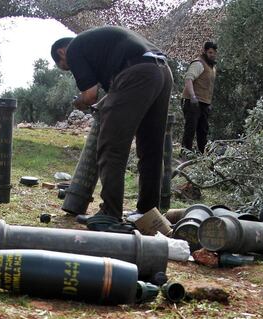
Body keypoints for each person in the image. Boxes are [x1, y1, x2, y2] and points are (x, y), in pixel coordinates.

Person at [51, 26, 173, 229]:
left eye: (66, 67)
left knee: (111, 147)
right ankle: (147, 212)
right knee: (152, 149)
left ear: (61, 53)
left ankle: (110, 213)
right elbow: (119, 90)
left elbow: (90, 95)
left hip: (137, 73)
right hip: (162, 72)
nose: (71, 69)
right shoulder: (100, 46)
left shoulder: (74, 49)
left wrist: (80, 102)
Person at [181, 41, 217, 155]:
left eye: (214, 53)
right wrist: (192, 97)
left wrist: (208, 103)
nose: (212, 55)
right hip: (192, 101)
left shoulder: (212, 68)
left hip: (204, 103)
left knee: (203, 130)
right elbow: (188, 79)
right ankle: (185, 154)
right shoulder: (198, 63)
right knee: (190, 129)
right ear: (205, 52)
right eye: (210, 52)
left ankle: (202, 156)